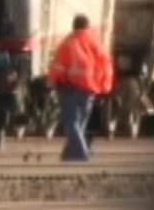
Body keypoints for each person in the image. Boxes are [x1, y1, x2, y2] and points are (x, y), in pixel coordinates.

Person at [48, 14, 114, 162]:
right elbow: (107, 67)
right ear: (87, 27)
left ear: (74, 26)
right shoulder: (97, 44)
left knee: (71, 122)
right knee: (80, 123)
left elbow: (58, 66)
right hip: (91, 90)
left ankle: (81, 153)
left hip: (71, 88)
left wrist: (51, 82)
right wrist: (105, 87)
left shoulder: (68, 43)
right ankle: (69, 154)